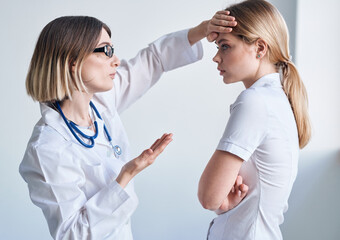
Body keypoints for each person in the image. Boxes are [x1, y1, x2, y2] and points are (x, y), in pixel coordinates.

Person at [19, 14, 243, 240]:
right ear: (73, 61)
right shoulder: (47, 147)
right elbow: (72, 234)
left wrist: (203, 29)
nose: (116, 60)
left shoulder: (100, 104)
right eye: (105, 51)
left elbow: (153, 60)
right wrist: (125, 175)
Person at [198, 1, 312, 239]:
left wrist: (217, 200)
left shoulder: (254, 102)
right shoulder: (276, 100)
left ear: (259, 48)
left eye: (225, 46)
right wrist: (224, 203)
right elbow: (217, 199)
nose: (216, 58)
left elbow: (208, 196)